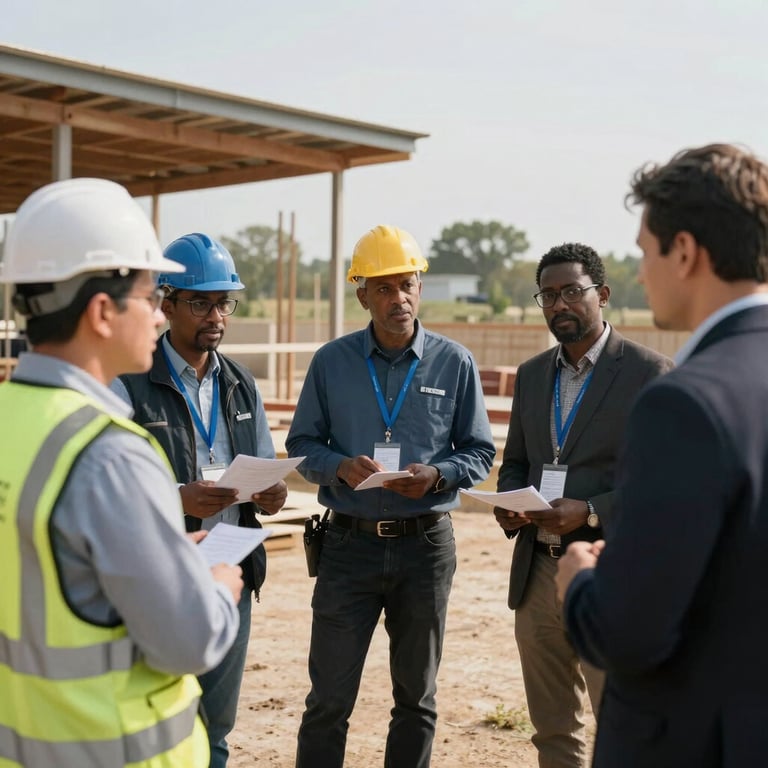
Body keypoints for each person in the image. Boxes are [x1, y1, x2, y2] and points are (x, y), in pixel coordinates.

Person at [0, 178, 243, 767]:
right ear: (102, 312)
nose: (159, 316)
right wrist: (216, 585)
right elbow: (189, 640)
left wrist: (157, 555)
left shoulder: (11, 417)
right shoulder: (110, 454)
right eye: (149, 297)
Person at [556, 143, 768, 767]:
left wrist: (580, 582)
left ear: (684, 251)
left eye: (645, 251)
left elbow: (628, 633)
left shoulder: (684, 403)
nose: (642, 272)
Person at [286, 224, 495, 768]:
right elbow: (301, 445)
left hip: (424, 549)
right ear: (363, 296)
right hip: (346, 548)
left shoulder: (454, 362)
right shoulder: (331, 363)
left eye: (406, 284)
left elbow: (479, 451)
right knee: (328, 701)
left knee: (416, 699)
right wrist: (339, 467)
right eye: (383, 288)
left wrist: (438, 475)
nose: (398, 297)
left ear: (419, 287)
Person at [111, 232, 287, 768]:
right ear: (166, 305)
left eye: (224, 303)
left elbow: (262, 460)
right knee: (152, 724)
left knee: (215, 727)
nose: (216, 316)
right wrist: (179, 499)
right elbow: (113, 489)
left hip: (229, 573)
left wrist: (273, 492)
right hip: (158, 576)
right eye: (200, 303)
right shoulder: (129, 383)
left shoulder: (240, 383)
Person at [494, 242, 673, 768]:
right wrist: (509, 502)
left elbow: (664, 484)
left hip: (609, 572)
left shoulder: (649, 373)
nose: (559, 304)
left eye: (572, 291)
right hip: (536, 576)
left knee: (621, 723)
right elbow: (516, 461)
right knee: (552, 729)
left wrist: (591, 511)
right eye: (548, 295)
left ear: (603, 294)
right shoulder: (532, 375)